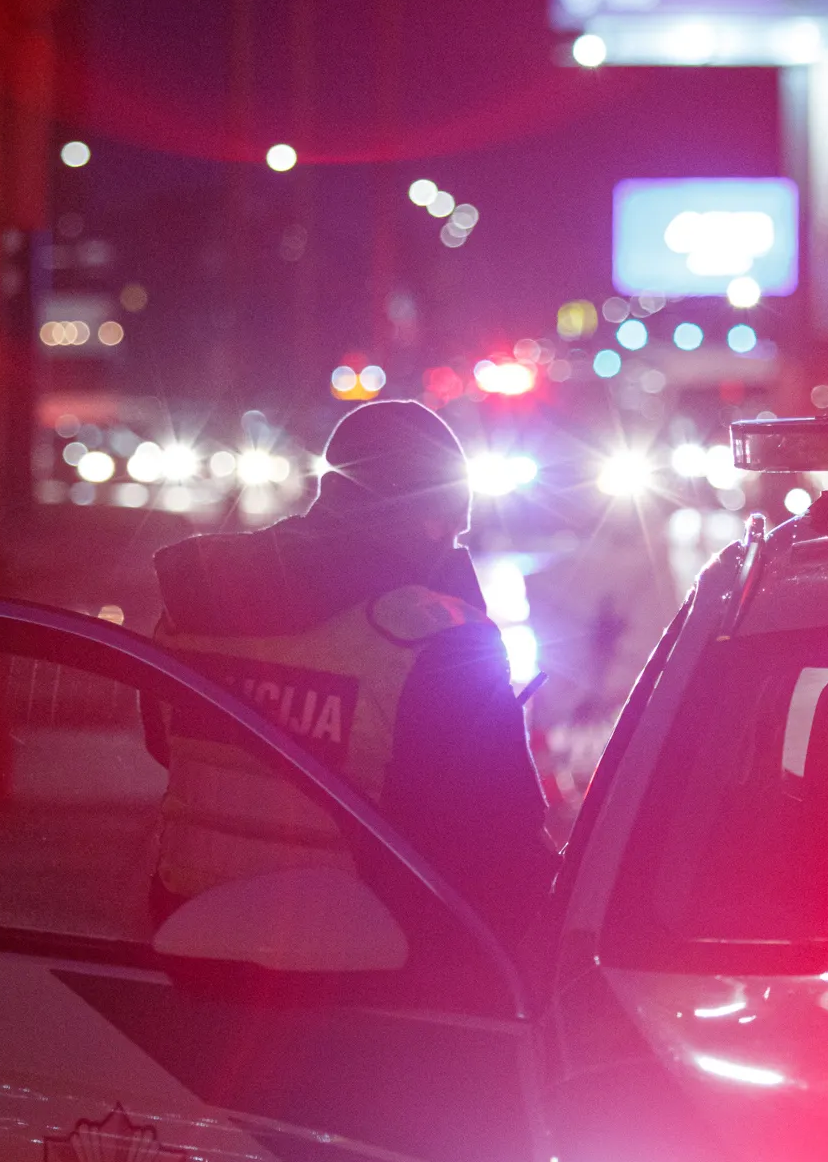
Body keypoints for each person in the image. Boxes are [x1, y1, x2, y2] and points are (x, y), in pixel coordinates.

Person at [143, 400, 554, 940]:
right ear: (433, 520)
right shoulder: (436, 643)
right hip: (363, 956)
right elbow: (504, 834)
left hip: (190, 937)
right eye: (455, 530)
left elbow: (167, 747)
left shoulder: (199, 606)